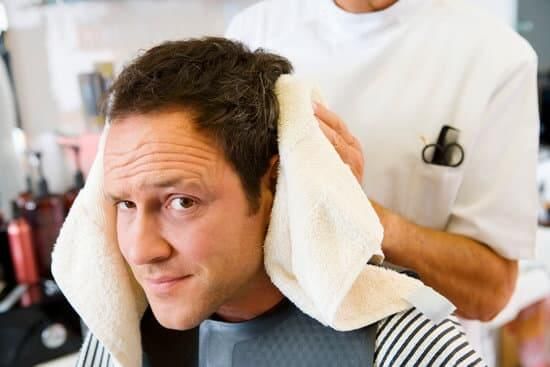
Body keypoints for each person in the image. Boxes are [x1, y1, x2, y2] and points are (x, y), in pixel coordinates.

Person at [75, 38, 485, 367]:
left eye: (181, 202)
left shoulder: (402, 346)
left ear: (276, 183)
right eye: (125, 204)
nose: (140, 250)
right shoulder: (118, 334)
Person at [225, 0, 539, 362]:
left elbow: (488, 292)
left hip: (413, 351)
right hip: (259, 338)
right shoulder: (254, 30)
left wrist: (355, 213)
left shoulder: (498, 58)